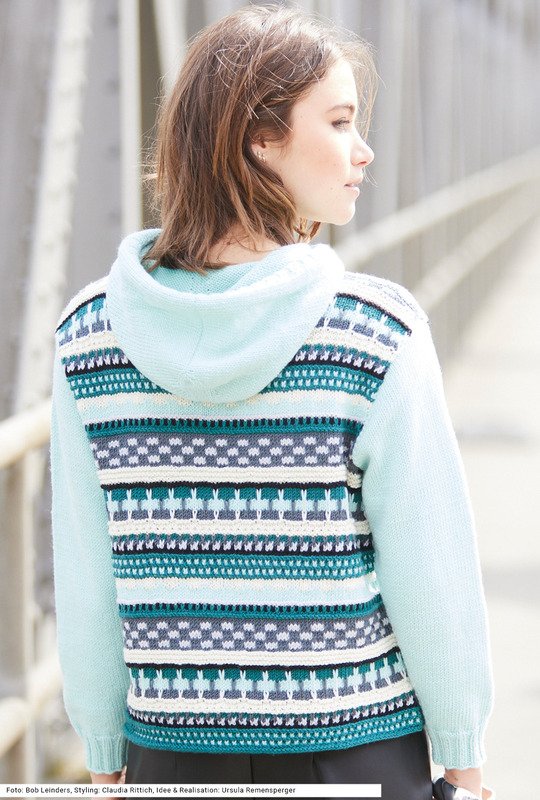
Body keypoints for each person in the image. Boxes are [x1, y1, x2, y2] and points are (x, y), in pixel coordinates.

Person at [50, 5, 494, 798]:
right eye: (340, 121)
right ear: (261, 139)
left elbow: (88, 574)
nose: (363, 151)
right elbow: (431, 571)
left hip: (171, 755)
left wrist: (102, 739)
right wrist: (463, 748)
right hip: (354, 748)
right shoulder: (374, 333)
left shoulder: (89, 338)